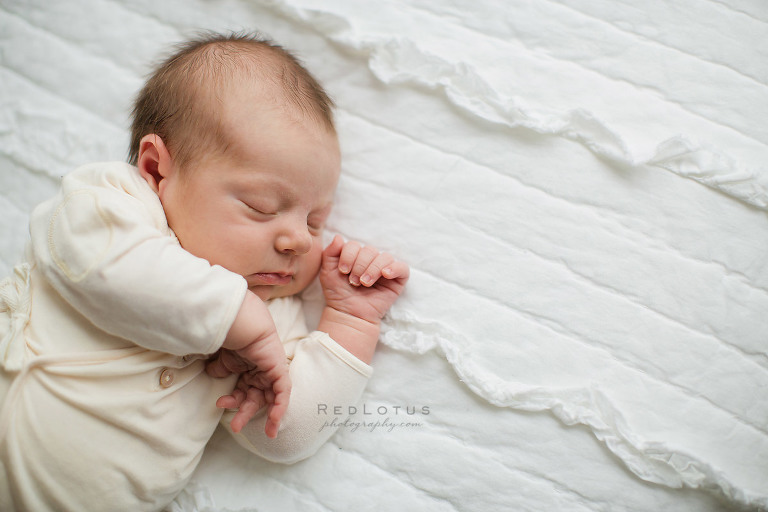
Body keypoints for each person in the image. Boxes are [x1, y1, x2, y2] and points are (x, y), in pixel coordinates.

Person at [0, 32, 408, 511]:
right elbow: (100, 264)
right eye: (261, 207)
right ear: (156, 170)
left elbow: (284, 433)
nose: (298, 239)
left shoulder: (272, 311)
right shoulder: (113, 204)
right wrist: (242, 323)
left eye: (314, 221)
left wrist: (350, 322)